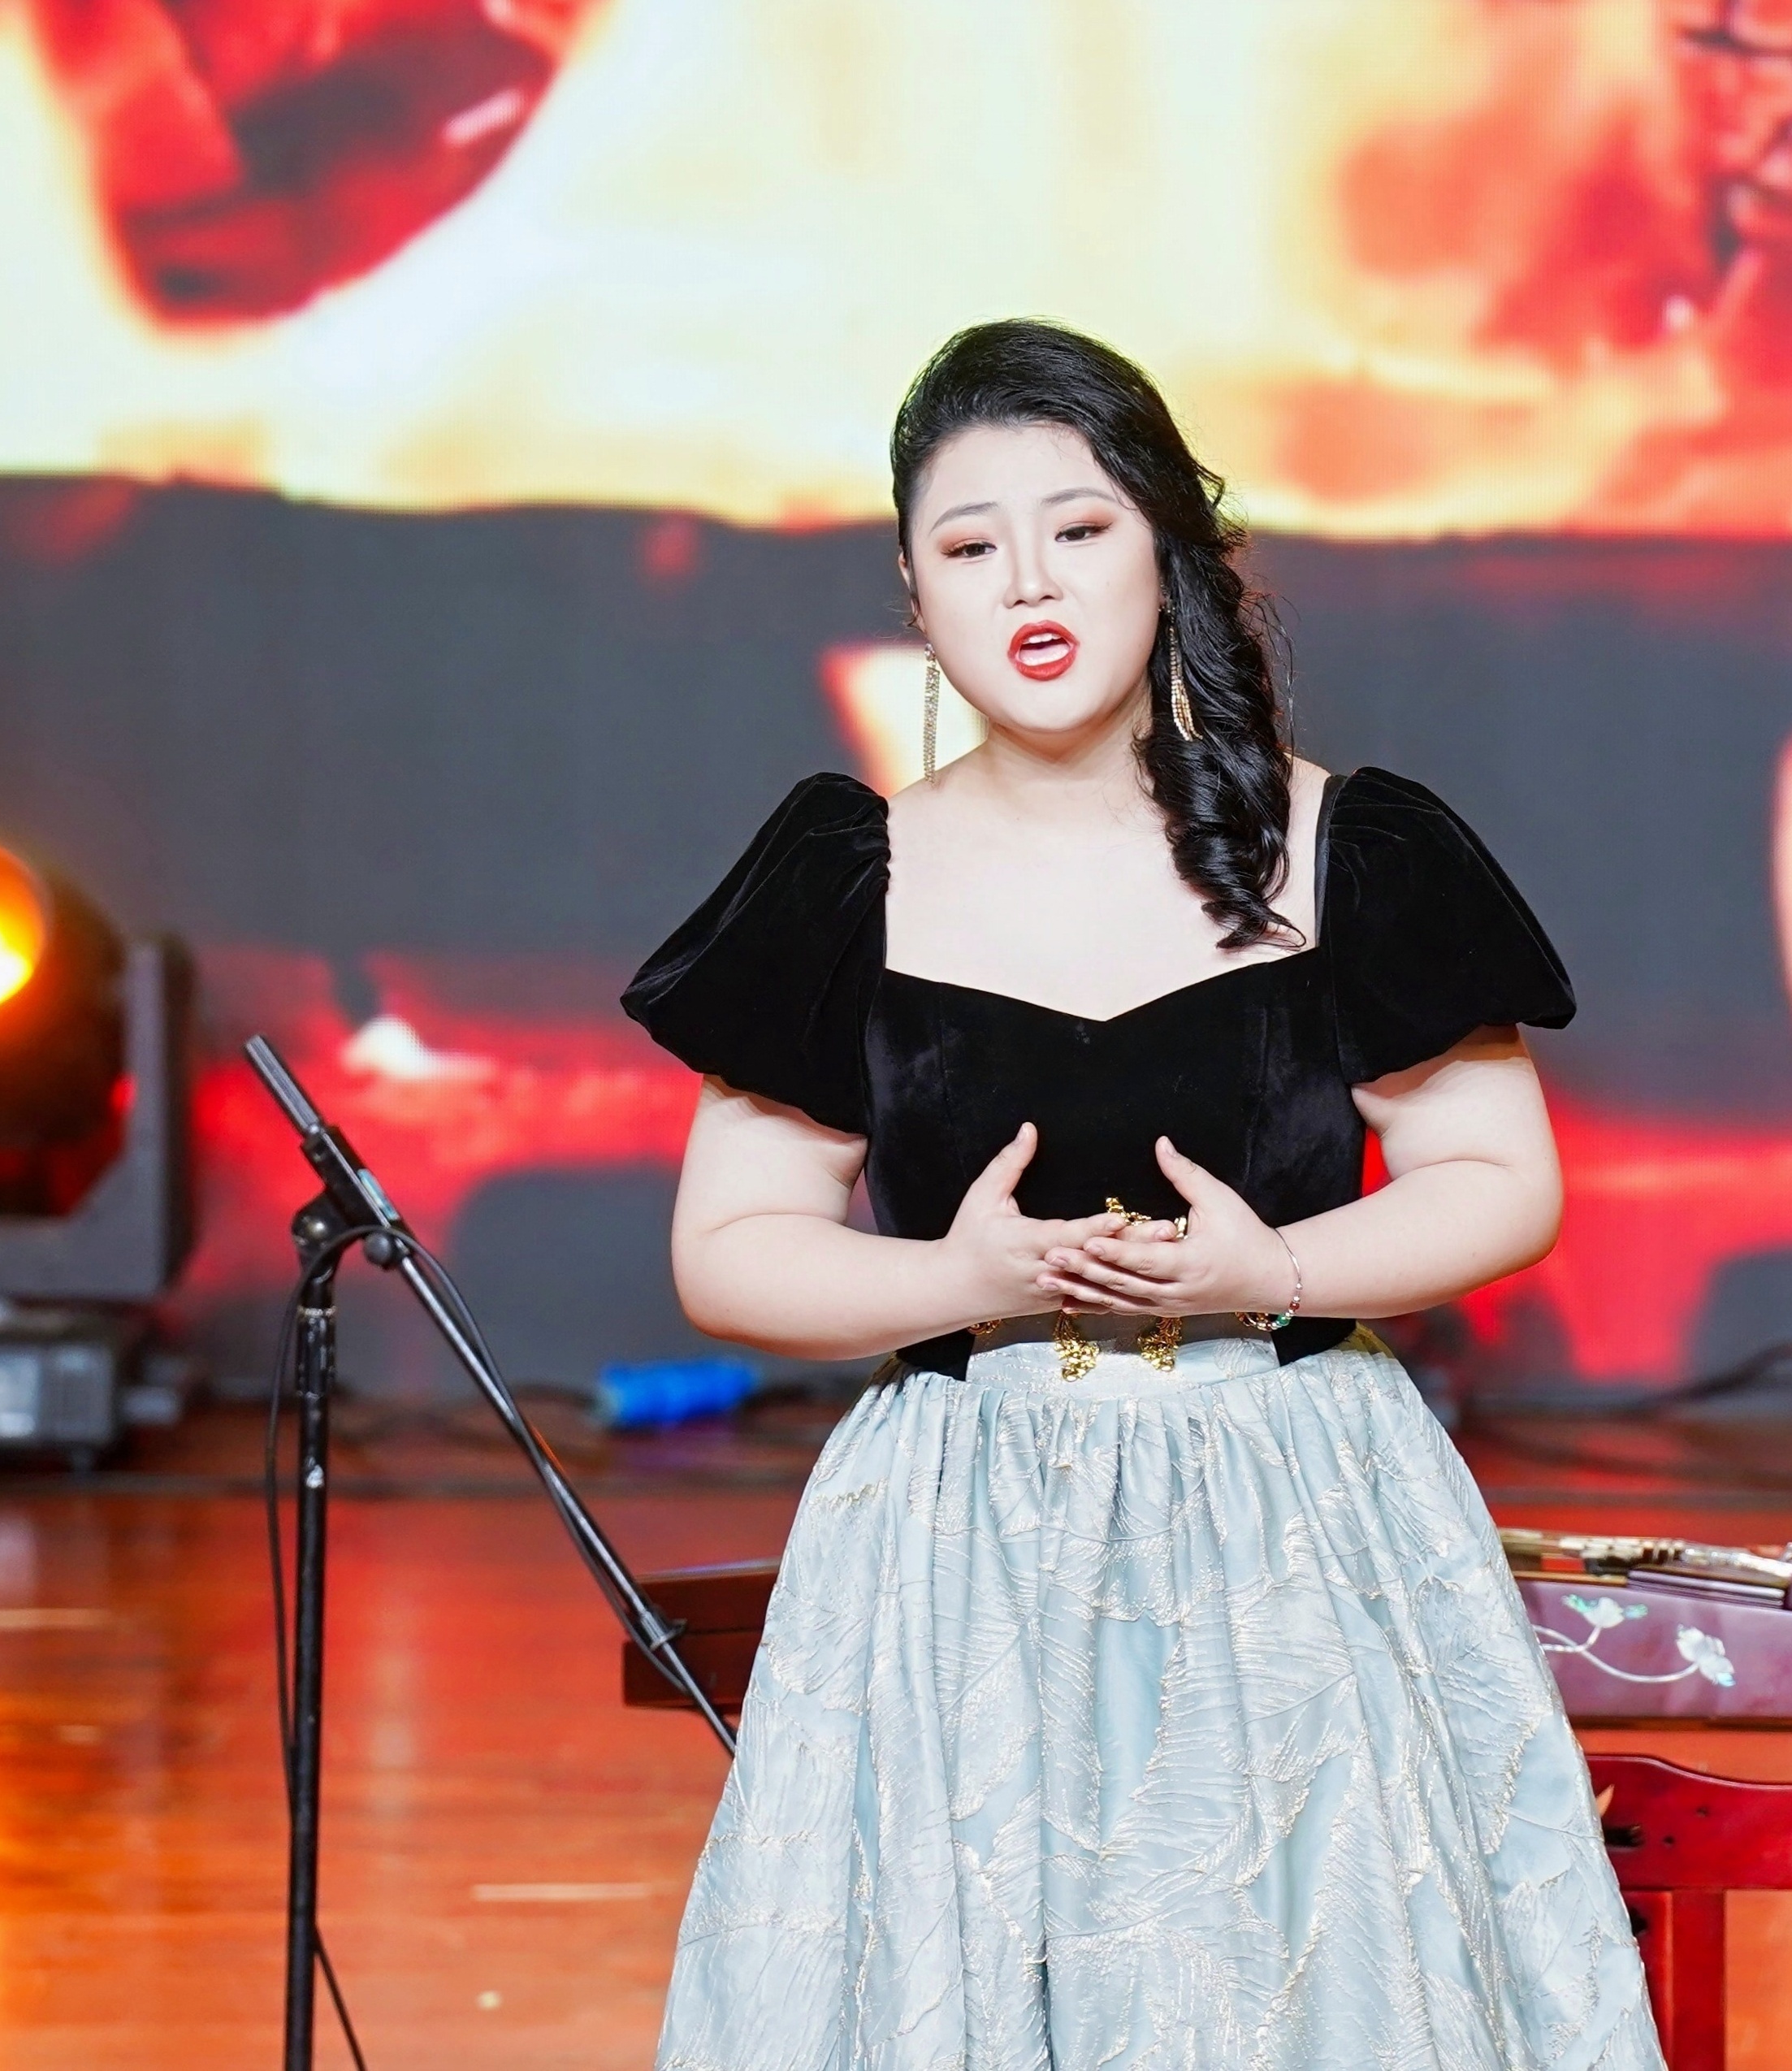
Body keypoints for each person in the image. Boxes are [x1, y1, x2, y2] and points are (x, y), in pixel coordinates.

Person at [624, 318, 1661, 2070]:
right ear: (917, 592)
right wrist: (961, 1281)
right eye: (971, 546)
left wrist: (1276, 1269)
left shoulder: (1349, 844)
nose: (1028, 581)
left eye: (1079, 527)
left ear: (1168, 547)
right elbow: (729, 1250)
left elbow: (1500, 1180)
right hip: (963, 1530)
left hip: (1291, 1505)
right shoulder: (846, 876)